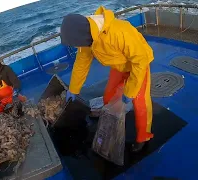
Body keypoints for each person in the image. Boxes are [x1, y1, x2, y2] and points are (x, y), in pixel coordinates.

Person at [60, 6, 154, 152]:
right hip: (119, 66)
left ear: (81, 36)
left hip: (139, 65)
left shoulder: (120, 31)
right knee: (108, 96)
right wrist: (73, 89)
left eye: (75, 44)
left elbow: (140, 61)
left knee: (140, 103)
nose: (76, 47)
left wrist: (130, 91)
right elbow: (81, 64)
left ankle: (144, 137)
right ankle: (110, 118)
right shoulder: (87, 36)